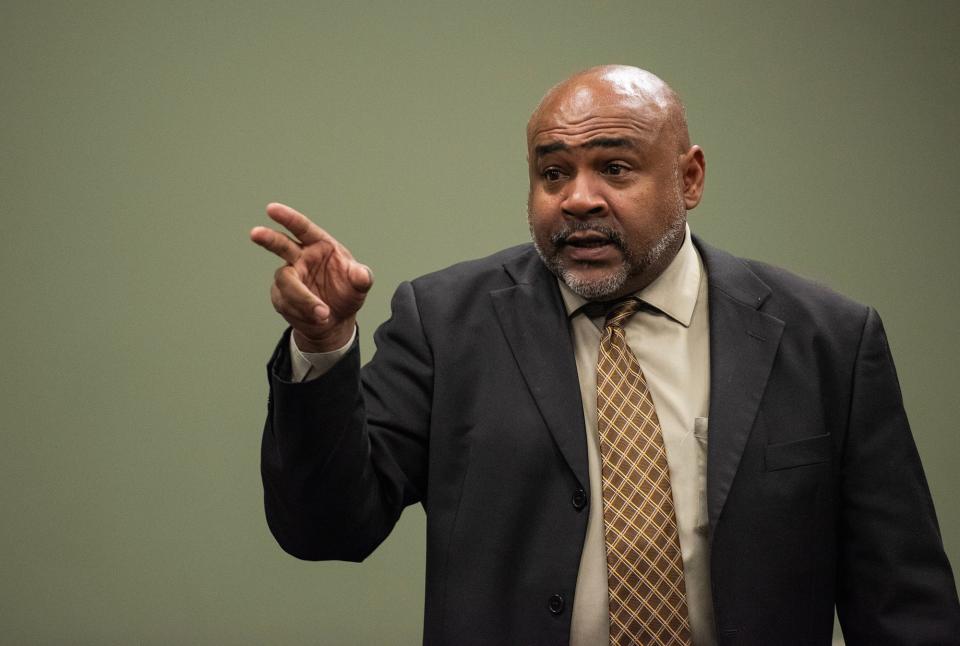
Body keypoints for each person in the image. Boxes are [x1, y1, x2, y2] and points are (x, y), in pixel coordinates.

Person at [250, 65, 960, 645]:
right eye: (552, 173)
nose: (578, 199)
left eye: (614, 168)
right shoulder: (446, 323)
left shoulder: (826, 339)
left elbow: (902, 603)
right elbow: (326, 528)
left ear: (689, 178)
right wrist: (322, 345)